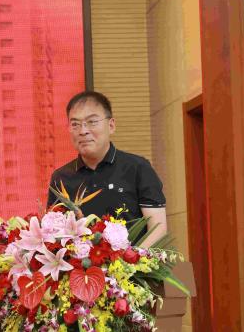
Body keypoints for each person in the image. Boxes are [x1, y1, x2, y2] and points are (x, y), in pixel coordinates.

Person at [47, 91, 167, 247]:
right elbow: (54, 233)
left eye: (92, 122)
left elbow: (158, 228)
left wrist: (132, 259)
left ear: (111, 126)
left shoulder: (138, 168)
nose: (83, 131)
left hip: (132, 260)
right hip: (81, 262)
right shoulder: (61, 177)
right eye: (75, 124)